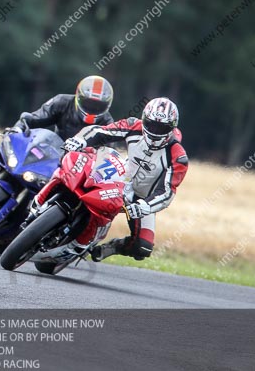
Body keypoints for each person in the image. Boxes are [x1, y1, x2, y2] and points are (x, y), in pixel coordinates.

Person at [36, 97, 189, 262]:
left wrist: (145, 206)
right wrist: (80, 140)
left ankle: (110, 247)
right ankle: (40, 204)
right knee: (78, 173)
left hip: (141, 199)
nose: (155, 130)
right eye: (151, 124)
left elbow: (167, 192)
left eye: (162, 127)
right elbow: (102, 131)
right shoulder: (133, 125)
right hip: (121, 177)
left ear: (172, 128)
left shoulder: (178, 157)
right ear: (144, 119)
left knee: (142, 247)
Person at [0, 76, 115, 190]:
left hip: (74, 170)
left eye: (98, 106)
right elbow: (35, 118)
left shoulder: (108, 123)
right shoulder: (62, 101)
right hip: (49, 152)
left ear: (107, 105)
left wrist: (98, 171)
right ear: (79, 96)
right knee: (6, 160)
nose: (92, 109)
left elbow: (108, 154)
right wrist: (19, 127)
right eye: (89, 103)